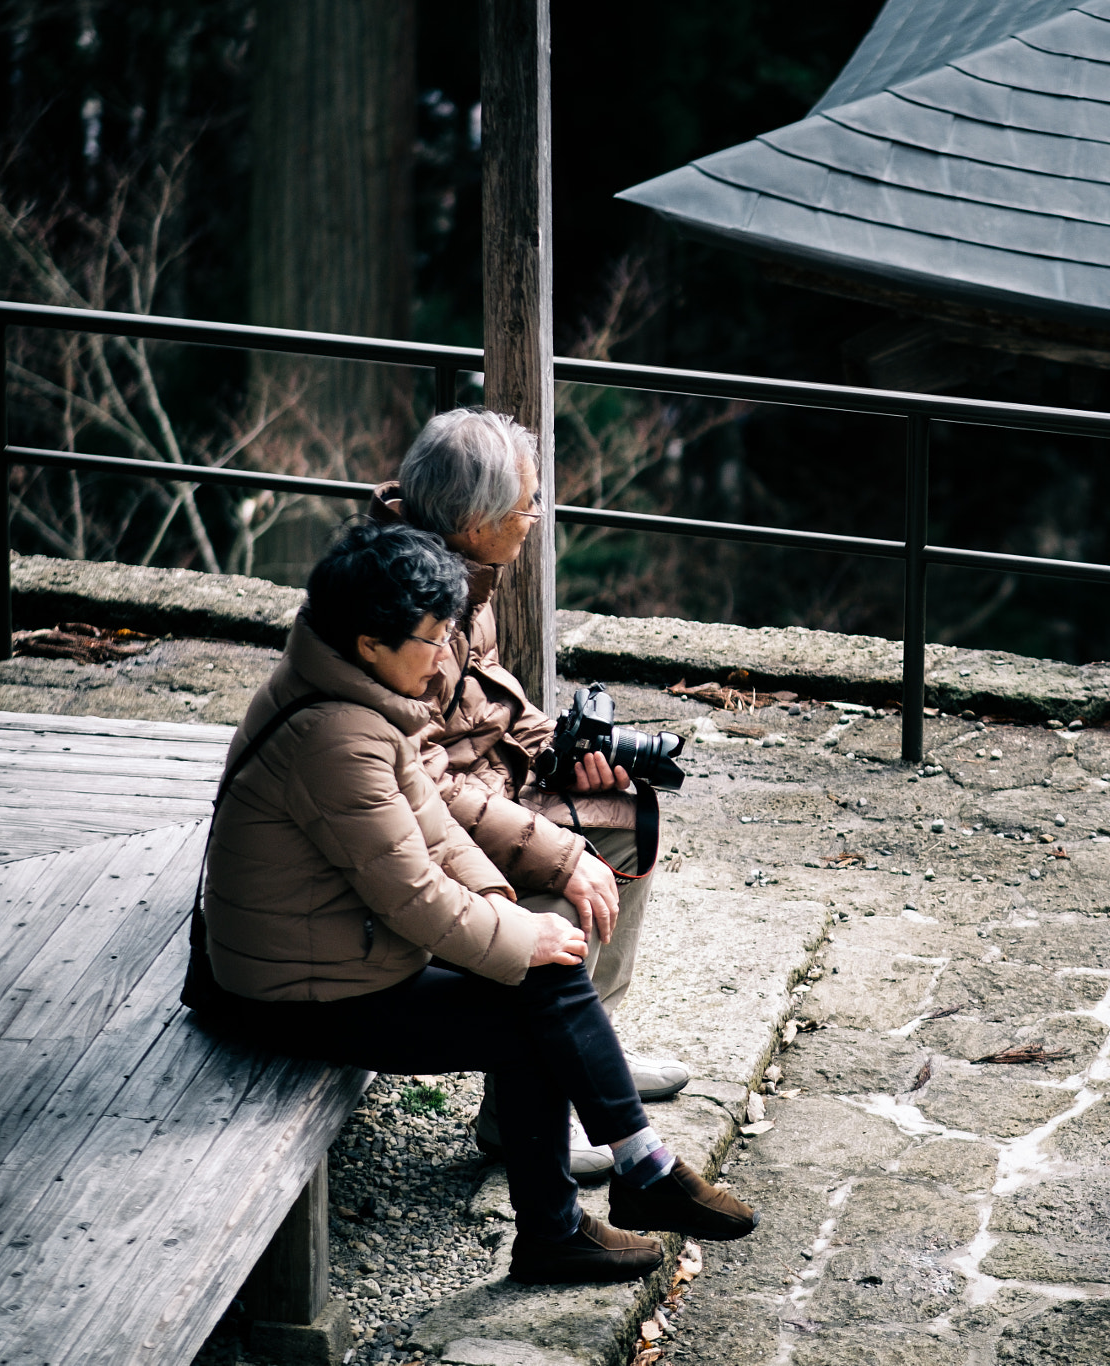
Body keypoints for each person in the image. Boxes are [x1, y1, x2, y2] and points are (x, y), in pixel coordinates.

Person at [200, 521, 756, 1283]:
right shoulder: (337, 737)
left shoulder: (357, 697)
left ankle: (627, 1179)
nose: (441, 664)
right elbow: (414, 896)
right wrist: (514, 940)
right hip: (295, 990)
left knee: (540, 970)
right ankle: (597, 1204)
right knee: (535, 1000)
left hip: (331, 951)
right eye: (430, 642)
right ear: (369, 642)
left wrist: (507, 911)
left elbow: (433, 830)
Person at [371, 409, 687, 1176]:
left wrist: (562, 752)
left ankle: (591, 1045)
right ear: (476, 521)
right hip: (420, 831)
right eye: (525, 506)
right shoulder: (405, 601)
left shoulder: (465, 572)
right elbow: (419, 784)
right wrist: (552, 847)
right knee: (567, 870)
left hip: (484, 790)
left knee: (627, 817)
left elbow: (492, 707)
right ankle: (517, 1118)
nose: (537, 517)